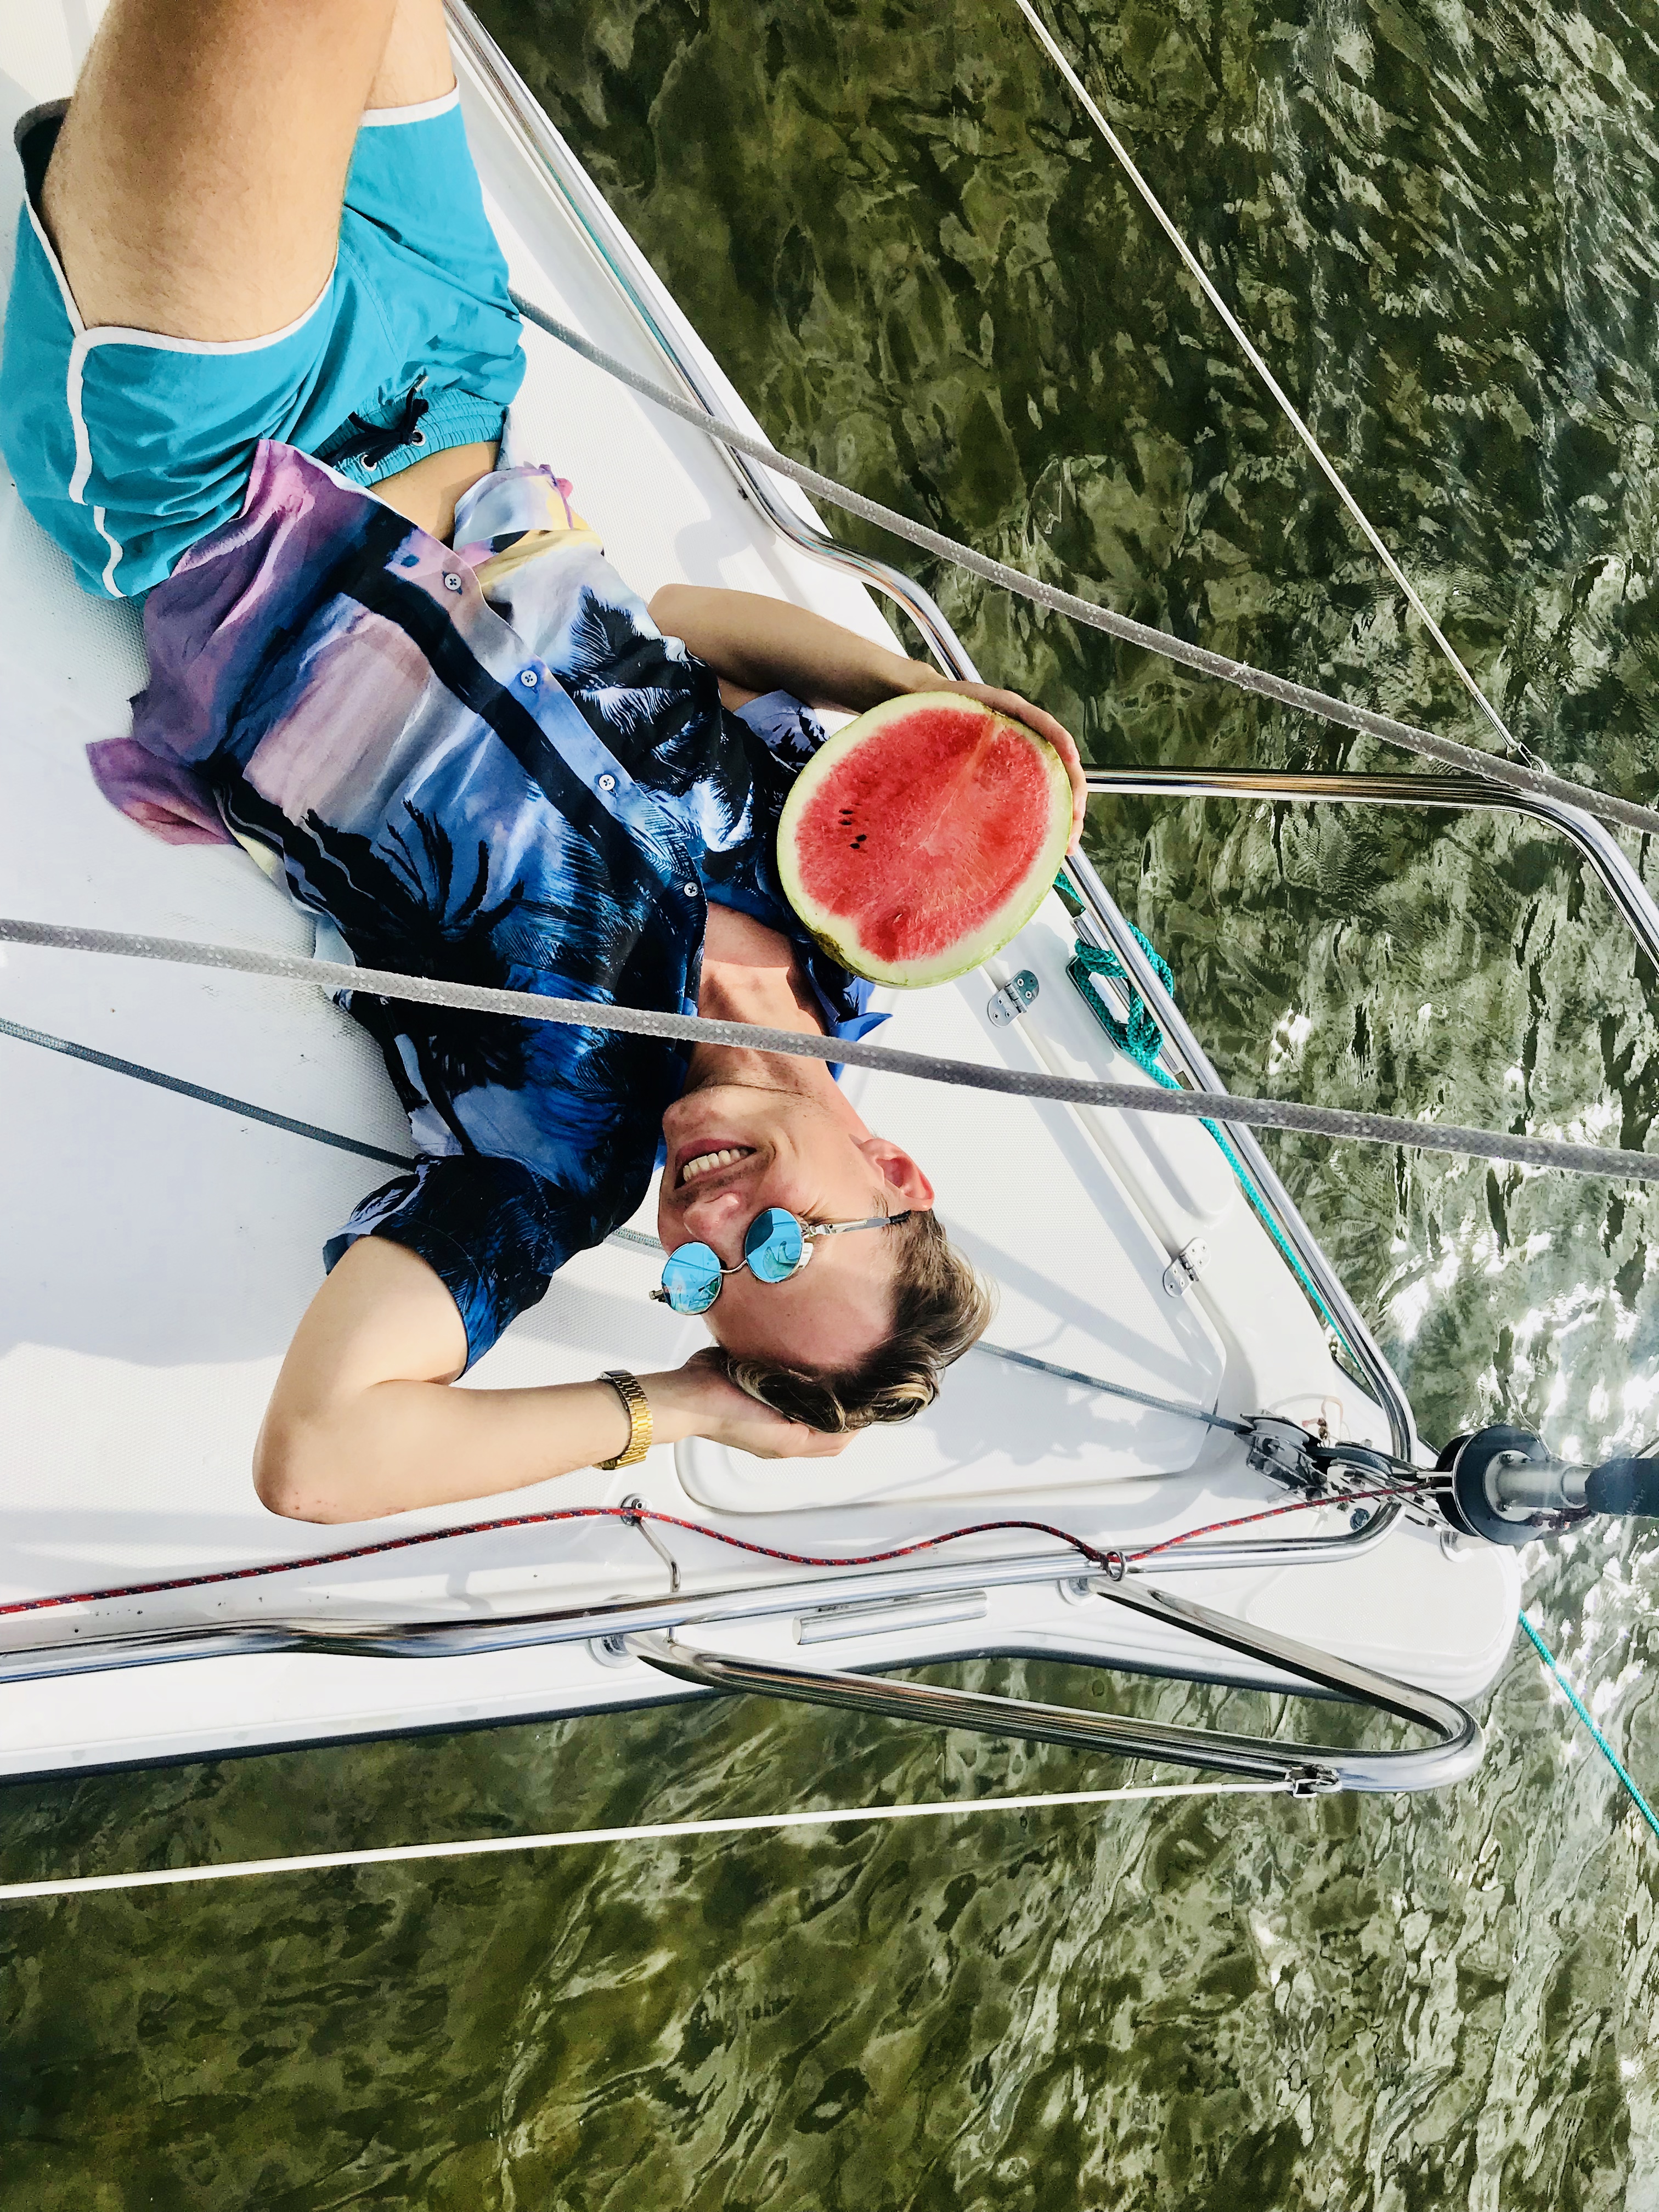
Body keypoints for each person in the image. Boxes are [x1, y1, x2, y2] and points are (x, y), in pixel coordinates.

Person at [0, 0, 1088, 1522]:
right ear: (895, 1171)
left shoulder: (544, 1163)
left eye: (701, 1279)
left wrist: (678, 1407)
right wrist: (908, 691)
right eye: (783, 1242)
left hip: (227, 479)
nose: (710, 1226)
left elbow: (317, 1457)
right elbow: (686, 626)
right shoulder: (848, 921)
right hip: (459, 368)